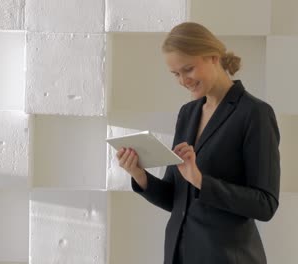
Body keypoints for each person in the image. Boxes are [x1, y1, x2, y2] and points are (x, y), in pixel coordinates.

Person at [116, 22, 280, 264]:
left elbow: (266, 205)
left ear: (213, 57)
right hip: (179, 255)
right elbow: (176, 200)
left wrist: (201, 181)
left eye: (188, 69)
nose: (183, 80)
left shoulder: (254, 113)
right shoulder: (188, 114)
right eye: (176, 74)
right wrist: (140, 175)